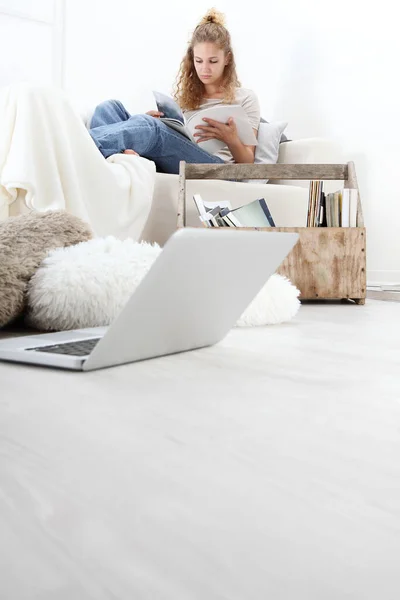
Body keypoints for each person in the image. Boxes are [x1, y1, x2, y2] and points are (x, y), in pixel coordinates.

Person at [89, 8, 260, 174]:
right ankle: (116, 156)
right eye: (199, 61)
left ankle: (84, 146)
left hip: (217, 168)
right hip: (179, 155)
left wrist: (231, 139)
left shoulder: (245, 98)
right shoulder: (188, 98)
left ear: (227, 59)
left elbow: (248, 162)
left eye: (213, 61)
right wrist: (151, 121)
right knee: (109, 108)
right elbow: (177, 136)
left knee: (151, 128)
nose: (205, 69)